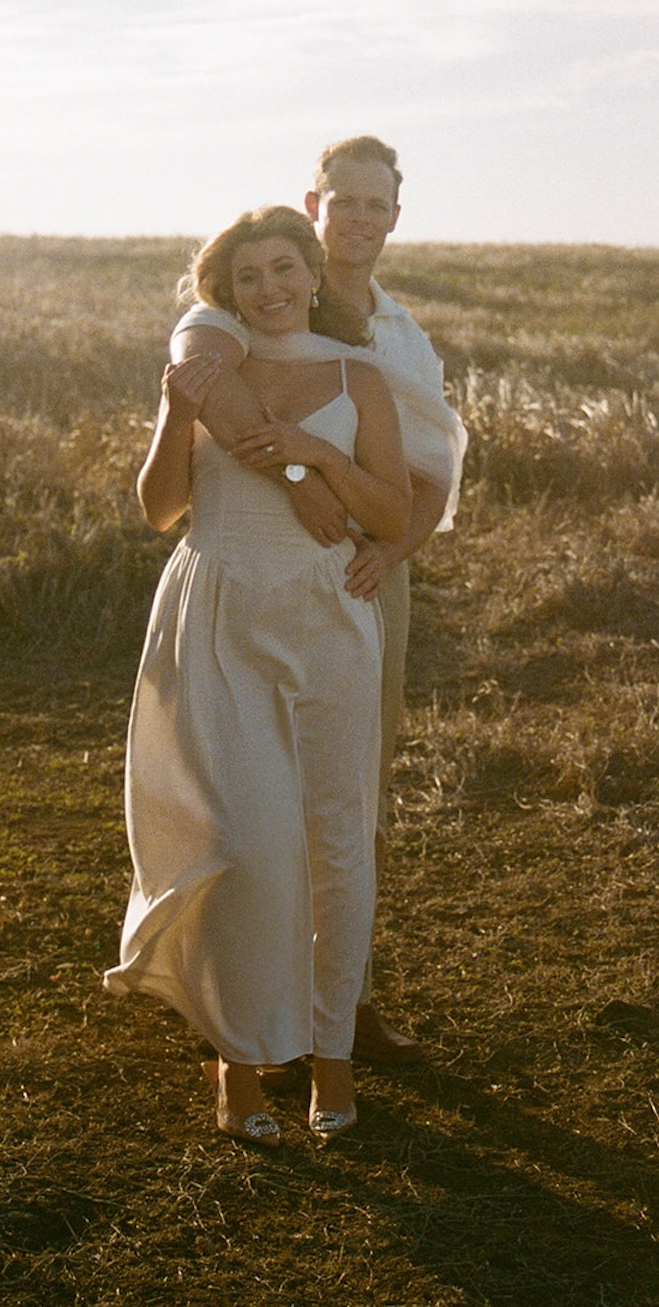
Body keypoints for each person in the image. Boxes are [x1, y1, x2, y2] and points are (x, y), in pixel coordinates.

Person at [104, 206, 410, 1146]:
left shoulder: (360, 377)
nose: (269, 288)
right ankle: (238, 1062)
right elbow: (159, 510)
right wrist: (176, 412)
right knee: (249, 840)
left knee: (336, 841)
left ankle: (330, 1058)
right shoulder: (209, 372)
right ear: (225, 291)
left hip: (326, 619)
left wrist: (316, 454)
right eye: (248, 277)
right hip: (221, 614)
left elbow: (391, 512)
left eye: (284, 268)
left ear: (311, 274)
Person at [170, 136, 467, 1063]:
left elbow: (432, 471)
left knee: (351, 792)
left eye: (377, 206)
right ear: (314, 205)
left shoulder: (400, 335)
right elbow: (197, 377)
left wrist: (391, 555)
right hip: (258, 567)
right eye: (344, 203)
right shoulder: (255, 301)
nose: (360, 221)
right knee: (247, 790)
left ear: (395, 216)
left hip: (366, 573)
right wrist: (303, 475)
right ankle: (245, 996)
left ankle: (346, 1000)